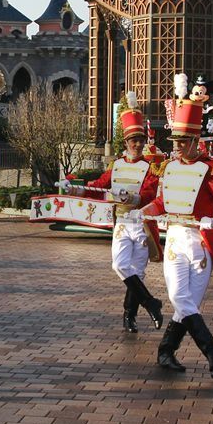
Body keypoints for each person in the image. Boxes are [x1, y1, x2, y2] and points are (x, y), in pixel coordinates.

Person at [138, 74, 213, 377]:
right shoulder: (167, 169)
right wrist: (143, 210)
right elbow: (162, 203)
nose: (178, 148)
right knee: (180, 298)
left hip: (202, 243)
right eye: (176, 143)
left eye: (183, 142)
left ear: (196, 141)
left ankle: (166, 352)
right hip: (176, 242)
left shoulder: (211, 170)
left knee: (188, 304)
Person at [57, 91, 162, 333]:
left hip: (142, 224)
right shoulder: (116, 166)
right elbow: (98, 187)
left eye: (140, 140)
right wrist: (74, 188)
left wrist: (134, 197)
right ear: (126, 143)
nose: (137, 144)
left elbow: (150, 192)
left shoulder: (150, 167)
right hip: (123, 224)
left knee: (138, 273)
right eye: (133, 140)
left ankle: (129, 317)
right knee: (119, 266)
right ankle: (151, 303)